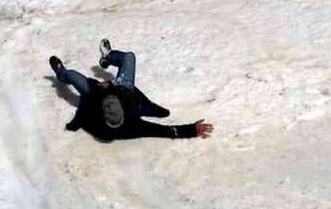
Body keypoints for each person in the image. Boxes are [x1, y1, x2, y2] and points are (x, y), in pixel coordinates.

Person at [49, 40, 214, 140]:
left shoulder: (95, 118)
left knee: (71, 75)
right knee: (129, 57)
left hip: (97, 91)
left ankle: (63, 72)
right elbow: (162, 131)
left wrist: (73, 125)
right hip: (121, 89)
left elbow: (84, 109)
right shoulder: (131, 125)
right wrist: (191, 130)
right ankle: (108, 56)